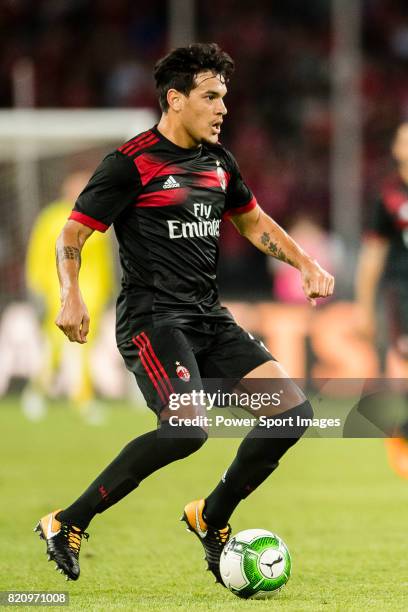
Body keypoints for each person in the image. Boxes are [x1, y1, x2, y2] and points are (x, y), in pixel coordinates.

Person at [34, 43, 334, 583]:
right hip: (154, 322)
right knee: (185, 432)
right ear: (175, 100)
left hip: (208, 318)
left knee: (292, 415)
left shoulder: (219, 162)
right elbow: (73, 233)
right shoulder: (130, 164)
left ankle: (210, 516)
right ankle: (67, 521)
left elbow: (253, 222)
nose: (223, 109)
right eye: (211, 97)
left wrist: (305, 262)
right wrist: (70, 296)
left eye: (225, 98)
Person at [24, 171, 115, 420]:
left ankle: (80, 397)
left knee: (84, 346)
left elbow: (103, 261)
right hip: (59, 290)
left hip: (92, 294)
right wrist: (36, 286)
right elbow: (37, 256)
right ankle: (39, 392)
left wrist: (106, 290)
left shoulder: (97, 219)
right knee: (54, 343)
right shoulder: (51, 218)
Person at [355, 122, 408, 477]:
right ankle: (401, 437)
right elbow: (372, 255)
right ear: (396, 149)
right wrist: (363, 309)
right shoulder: (389, 196)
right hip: (403, 291)